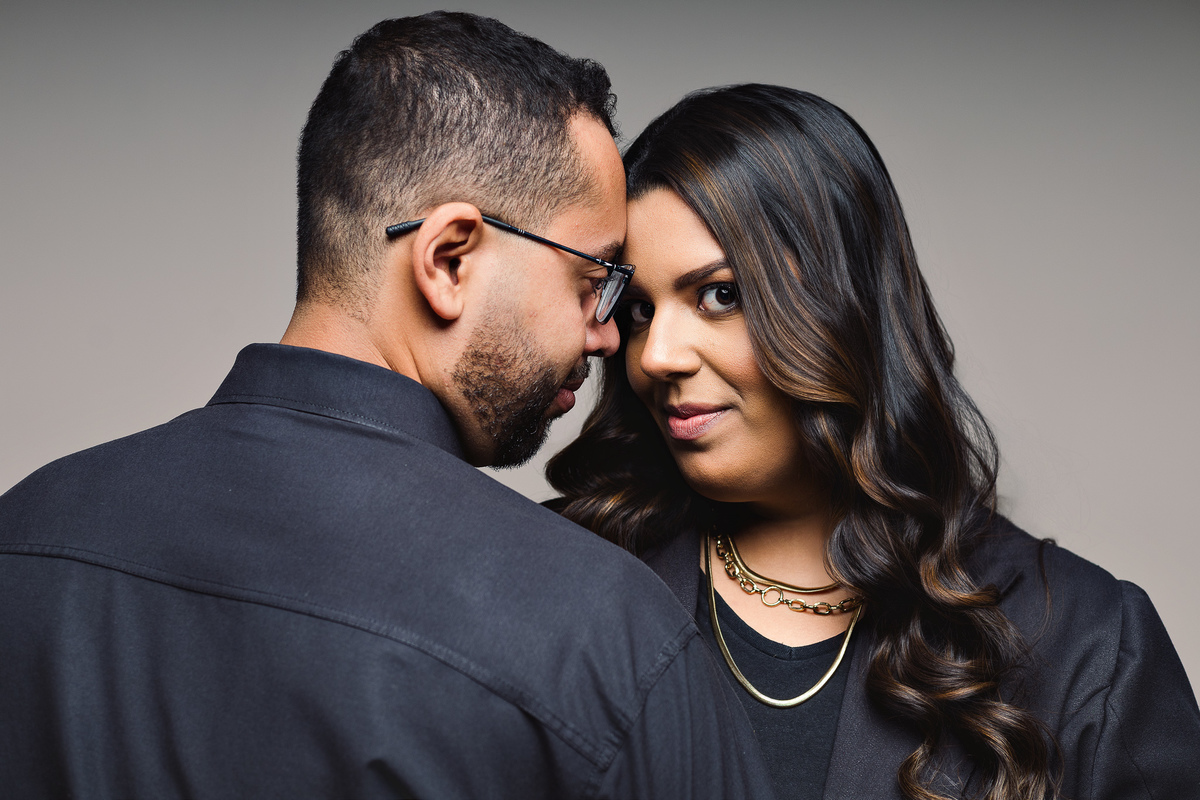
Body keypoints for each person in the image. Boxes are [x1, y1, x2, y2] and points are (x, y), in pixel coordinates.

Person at [0, 15, 776, 799]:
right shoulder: (599, 631)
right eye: (593, 281)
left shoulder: (24, 533)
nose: (608, 336)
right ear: (449, 260)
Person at [547, 84, 1200, 800]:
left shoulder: (1084, 641)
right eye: (639, 310)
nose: (656, 356)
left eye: (720, 295)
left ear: (843, 305)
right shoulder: (553, 581)